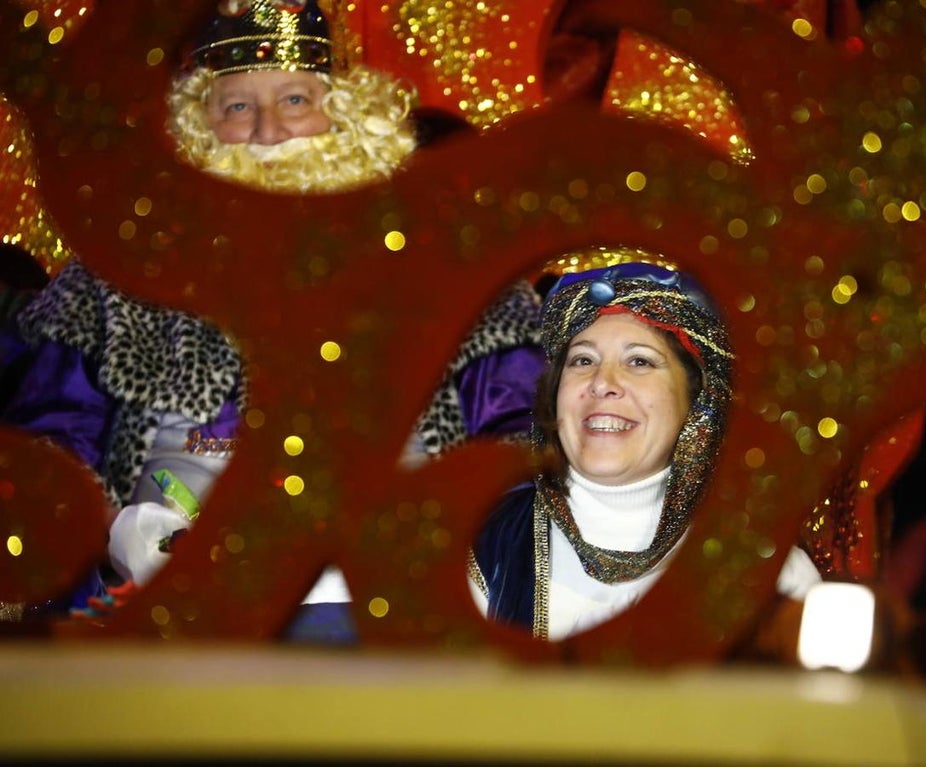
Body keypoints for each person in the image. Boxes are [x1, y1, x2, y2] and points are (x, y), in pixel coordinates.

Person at [0, 0, 544, 640]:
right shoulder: (115, 281)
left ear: (345, 113)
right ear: (195, 125)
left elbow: (523, 435)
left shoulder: (446, 271)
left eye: (294, 100)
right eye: (238, 106)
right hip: (175, 611)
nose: (269, 132)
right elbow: (53, 452)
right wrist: (122, 533)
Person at [468, 262, 820, 641]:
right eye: (583, 360)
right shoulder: (483, 543)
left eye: (639, 361)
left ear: (698, 403)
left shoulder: (767, 572)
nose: (602, 383)